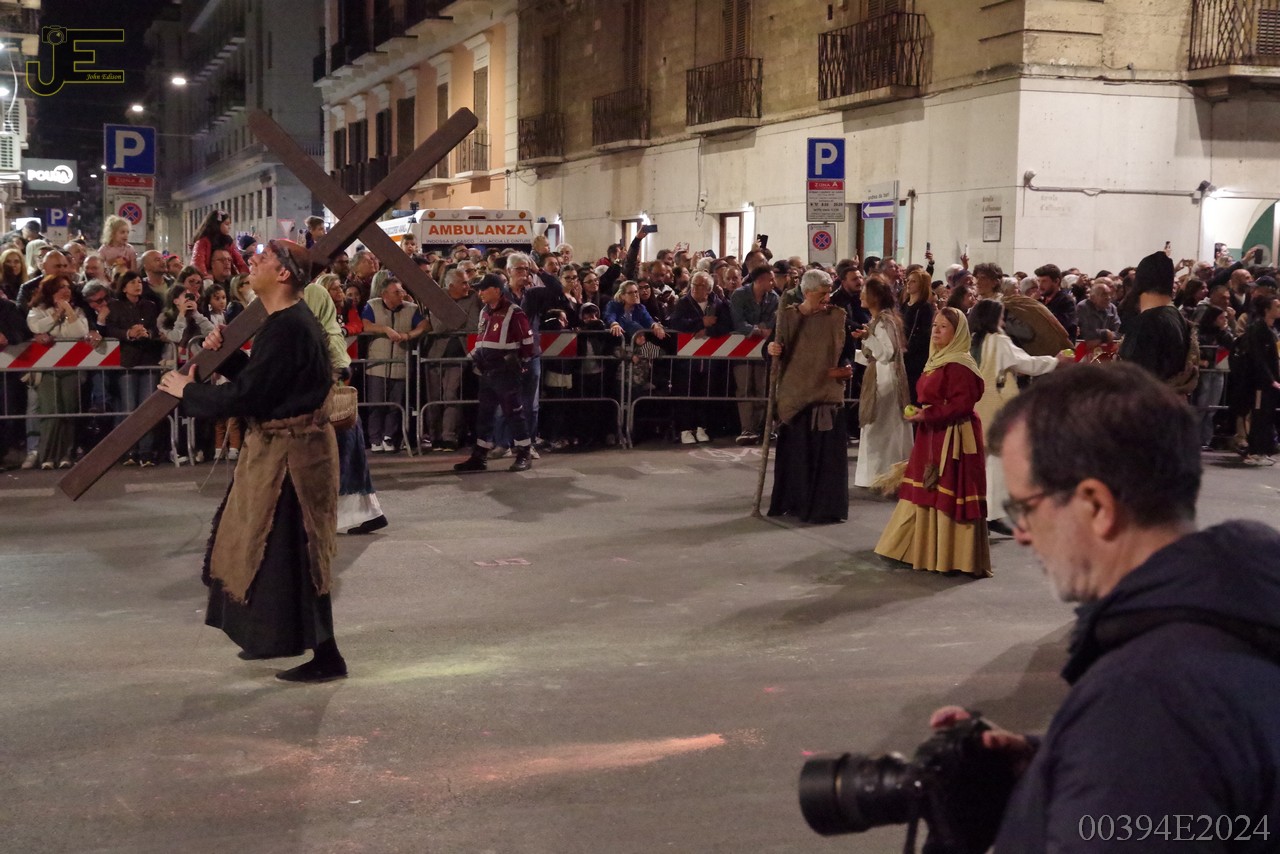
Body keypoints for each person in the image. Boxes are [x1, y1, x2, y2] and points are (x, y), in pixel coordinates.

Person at [932, 363, 1280, 852]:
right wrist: (1051, 770)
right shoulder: (1246, 609)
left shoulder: (1145, 701)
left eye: (1024, 508)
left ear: (1095, 505)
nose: (1023, 534)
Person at [159, 239, 345, 683]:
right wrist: (229, 358)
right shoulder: (285, 323)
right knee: (273, 554)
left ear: (283, 274)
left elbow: (250, 397)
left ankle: (327, 656)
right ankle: (271, 637)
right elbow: (268, 383)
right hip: (285, 457)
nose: (253, 262)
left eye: (263, 258)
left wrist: (188, 392)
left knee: (298, 557)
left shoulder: (288, 325)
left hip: (293, 464)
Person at [875, 307, 990, 576]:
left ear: (957, 333)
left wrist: (928, 414)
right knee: (925, 488)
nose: (936, 331)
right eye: (935, 325)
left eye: (944, 327)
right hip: (932, 432)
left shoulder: (959, 364)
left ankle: (954, 557)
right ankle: (912, 549)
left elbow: (962, 404)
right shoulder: (937, 360)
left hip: (953, 436)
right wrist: (922, 412)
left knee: (946, 488)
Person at [968, 299, 1071, 535]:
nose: (1004, 322)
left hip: (975, 404)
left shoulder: (972, 340)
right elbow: (1026, 363)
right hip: (996, 405)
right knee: (997, 458)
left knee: (980, 458)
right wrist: (1056, 361)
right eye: (1001, 316)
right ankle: (993, 513)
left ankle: (977, 507)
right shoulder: (999, 340)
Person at [765, 270, 854, 523]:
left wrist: (846, 367)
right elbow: (771, 350)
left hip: (826, 395)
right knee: (798, 458)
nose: (827, 298)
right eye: (822, 293)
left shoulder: (837, 318)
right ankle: (796, 504)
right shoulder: (787, 317)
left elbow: (846, 352)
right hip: (796, 396)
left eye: (829, 292)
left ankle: (826, 508)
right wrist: (771, 348)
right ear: (806, 293)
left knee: (827, 460)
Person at [453, 274, 535, 472]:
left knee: (513, 412)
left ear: (497, 290)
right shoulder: (485, 311)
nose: (479, 292)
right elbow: (482, 338)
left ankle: (524, 453)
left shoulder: (514, 312)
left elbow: (527, 342)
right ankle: (479, 456)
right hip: (487, 370)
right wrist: (474, 357)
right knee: (485, 414)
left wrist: (521, 364)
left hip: (505, 371)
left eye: (484, 289)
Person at [851, 276, 913, 489]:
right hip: (882, 376)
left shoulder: (883, 322)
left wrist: (867, 337)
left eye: (865, 291)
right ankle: (883, 475)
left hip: (884, 382)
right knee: (882, 429)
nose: (861, 295)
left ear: (875, 296)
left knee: (880, 428)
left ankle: (881, 475)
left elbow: (886, 353)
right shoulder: (880, 320)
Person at [26, 276, 90, 469]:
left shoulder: (77, 311)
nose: (66, 290)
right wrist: (56, 315)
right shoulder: (38, 311)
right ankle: (47, 456)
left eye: (68, 287)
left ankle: (65, 454)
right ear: (51, 290)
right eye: (61, 287)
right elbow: (36, 326)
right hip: (47, 370)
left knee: (69, 410)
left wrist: (68, 310)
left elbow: (79, 332)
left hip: (71, 368)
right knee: (51, 411)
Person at [1238, 293, 1280, 465]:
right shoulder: (1257, 329)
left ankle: (1263, 449)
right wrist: (1270, 379)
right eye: (1277, 306)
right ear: (1266, 310)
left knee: (1266, 415)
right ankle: (1254, 451)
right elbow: (1258, 357)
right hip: (1259, 382)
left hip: (1269, 382)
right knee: (1258, 414)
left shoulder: (1270, 329)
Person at [900, 268, 935, 406]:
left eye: (913, 281)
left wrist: (908, 348)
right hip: (903, 354)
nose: (909, 284)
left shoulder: (925, 308)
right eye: (908, 280)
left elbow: (923, 335)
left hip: (915, 358)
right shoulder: (905, 305)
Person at [190, 210, 250, 278]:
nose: (229, 227)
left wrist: (246, 277)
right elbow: (198, 263)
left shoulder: (229, 242)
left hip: (226, 277)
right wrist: (205, 277)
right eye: (226, 224)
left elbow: (240, 262)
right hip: (208, 278)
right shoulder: (202, 242)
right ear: (217, 224)